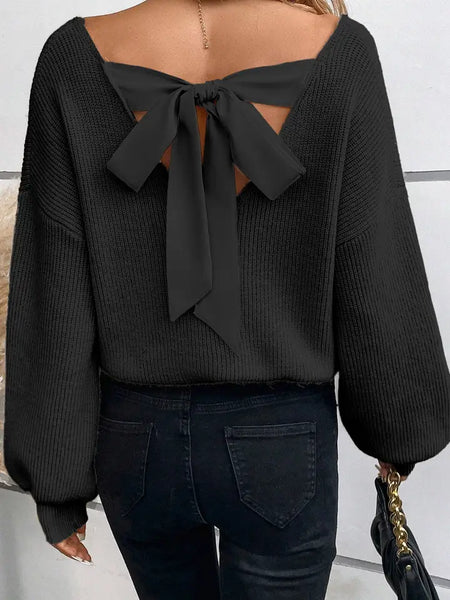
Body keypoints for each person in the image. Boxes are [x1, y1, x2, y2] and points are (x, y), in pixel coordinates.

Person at [4, 1, 449, 598]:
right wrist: (399, 429)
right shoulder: (341, 52)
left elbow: (53, 279)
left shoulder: (72, 57)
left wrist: (55, 481)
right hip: (282, 439)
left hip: (137, 441)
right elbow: (376, 254)